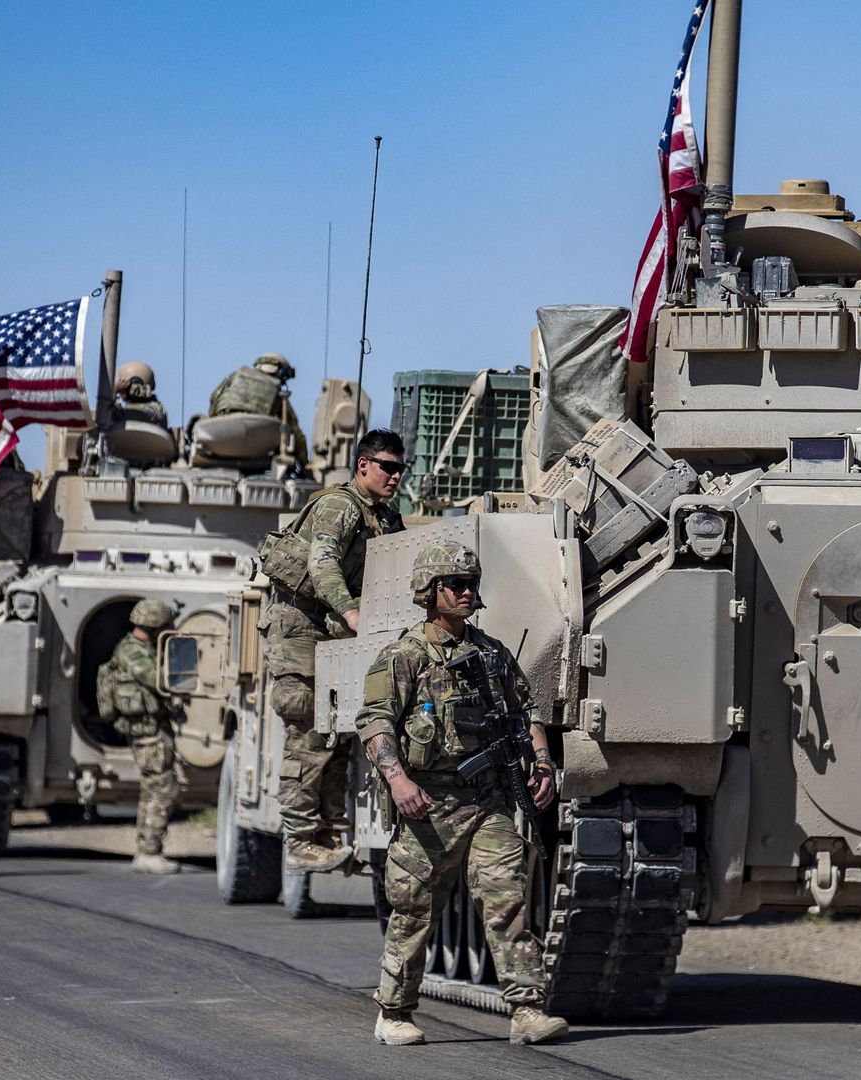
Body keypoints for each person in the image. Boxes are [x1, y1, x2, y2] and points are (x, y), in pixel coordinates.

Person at [357, 540, 567, 1047]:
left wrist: (541, 765)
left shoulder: (491, 654)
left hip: (487, 802)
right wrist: (399, 780)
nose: (467, 592)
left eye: (471, 584)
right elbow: (375, 722)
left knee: (508, 899)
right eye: (456, 585)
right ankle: (394, 1011)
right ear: (430, 592)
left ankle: (526, 1009)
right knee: (413, 909)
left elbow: (526, 714)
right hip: (428, 806)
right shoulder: (404, 656)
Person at [262, 428, 406, 871]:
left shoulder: (385, 515)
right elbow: (320, 565)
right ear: (363, 465)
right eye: (388, 467)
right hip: (303, 635)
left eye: (402, 469)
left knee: (338, 734)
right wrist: (352, 612)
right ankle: (300, 839)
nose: (396, 476)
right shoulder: (340, 505)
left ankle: (327, 833)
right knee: (307, 732)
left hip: (337, 641)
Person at [99, 598, 184, 874]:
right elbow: (157, 679)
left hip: (151, 729)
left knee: (152, 788)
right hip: (146, 731)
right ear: (157, 624)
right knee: (163, 787)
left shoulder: (137, 648)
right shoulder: (133, 652)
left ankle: (146, 850)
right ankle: (149, 851)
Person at [207, 352, 309, 461]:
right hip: (255, 446)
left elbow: (214, 398)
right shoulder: (277, 392)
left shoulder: (236, 376)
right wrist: (303, 461)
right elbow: (293, 430)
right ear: (281, 372)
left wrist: (214, 422)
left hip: (222, 435)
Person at [113, 361, 170, 428]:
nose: (121, 393)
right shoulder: (153, 408)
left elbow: (110, 418)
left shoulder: (152, 410)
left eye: (123, 389)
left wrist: (113, 393)